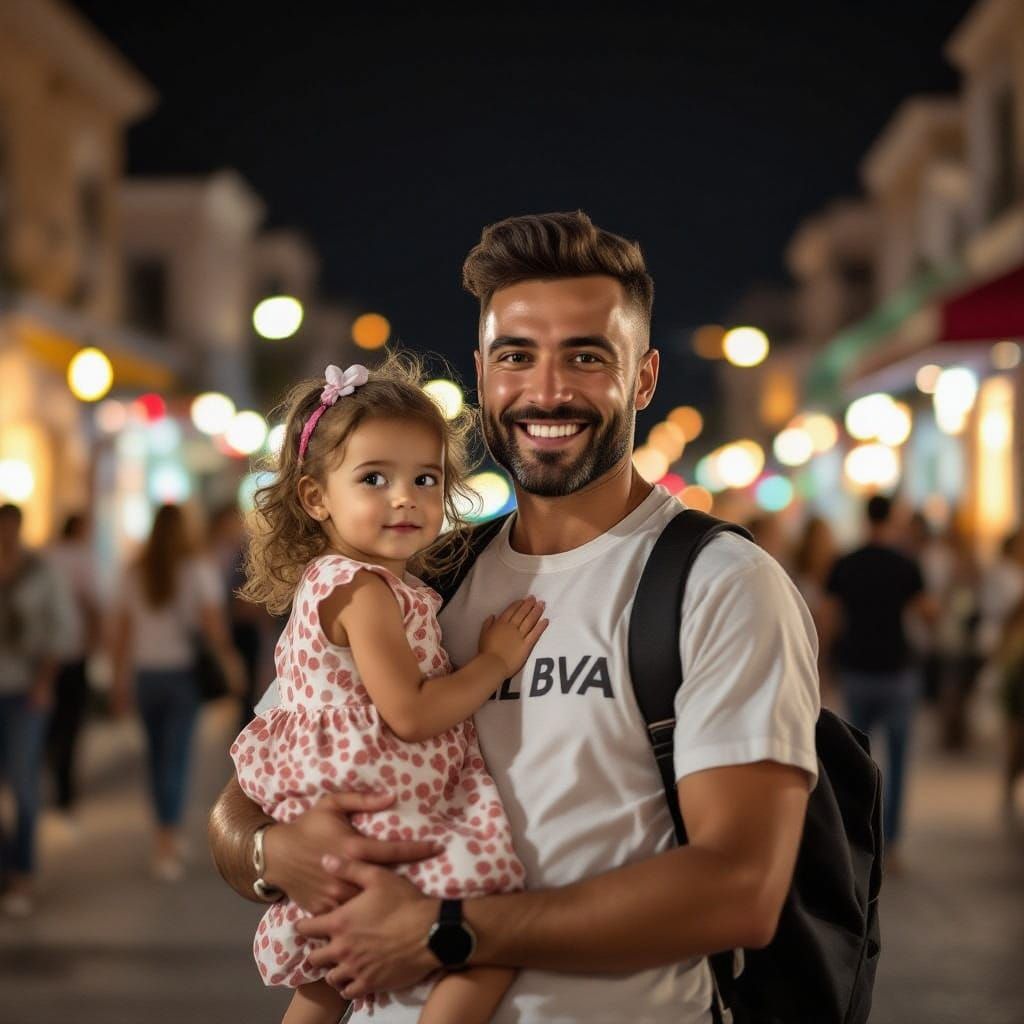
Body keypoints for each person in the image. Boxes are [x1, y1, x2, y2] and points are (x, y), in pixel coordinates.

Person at [209, 211, 820, 1023]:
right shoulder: (420, 578)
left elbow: (739, 891)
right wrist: (271, 852)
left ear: (643, 379)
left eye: (586, 357)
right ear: (482, 375)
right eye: (516, 357)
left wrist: (448, 931)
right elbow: (249, 792)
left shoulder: (717, 583)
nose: (547, 391)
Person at [230, 356, 546, 1024]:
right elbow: (409, 713)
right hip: (386, 802)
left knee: (326, 977)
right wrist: (493, 663)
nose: (405, 496)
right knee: (485, 941)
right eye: (375, 478)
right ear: (317, 497)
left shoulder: (347, 581)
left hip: (354, 803)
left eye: (425, 478)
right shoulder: (365, 592)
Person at [111, 503, 243, 882]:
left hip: (145, 675)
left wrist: (120, 682)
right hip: (182, 676)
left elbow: (121, 633)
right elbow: (214, 626)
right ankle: (169, 840)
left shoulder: (133, 572)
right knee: (177, 758)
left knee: (156, 759)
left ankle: (164, 835)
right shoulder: (198, 569)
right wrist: (230, 663)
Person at [820, 495, 935, 874]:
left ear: (864, 517)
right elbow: (928, 613)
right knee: (899, 760)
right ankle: (894, 845)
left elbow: (829, 618)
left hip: (857, 668)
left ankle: (859, 843)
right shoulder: (906, 563)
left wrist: (822, 668)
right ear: (894, 518)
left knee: (858, 760)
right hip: (898, 669)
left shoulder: (846, 562)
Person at [0, 503, 76, 916]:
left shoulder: (39, 571)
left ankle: (23, 873)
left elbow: (60, 628)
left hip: (26, 691)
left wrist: (45, 682)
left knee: (23, 783)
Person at [46, 512, 102, 822]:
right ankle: (64, 791)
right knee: (69, 722)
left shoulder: (47, 556)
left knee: (52, 720)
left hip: (45, 654)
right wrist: (94, 644)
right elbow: (92, 604)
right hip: (73, 649)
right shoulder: (82, 558)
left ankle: (53, 777)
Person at [206, 503, 267, 728]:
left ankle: (244, 726)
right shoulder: (208, 552)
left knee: (247, 687)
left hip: (242, 626)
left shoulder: (244, 553)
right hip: (222, 625)